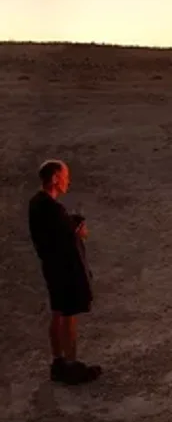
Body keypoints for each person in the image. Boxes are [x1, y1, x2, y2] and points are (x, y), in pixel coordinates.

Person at [28, 160, 101, 384]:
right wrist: (77, 230)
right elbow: (65, 239)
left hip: (52, 267)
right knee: (68, 315)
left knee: (58, 312)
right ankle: (71, 365)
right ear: (55, 178)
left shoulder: (37, 203)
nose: (68, 180)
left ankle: (58, 361)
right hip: (63, 269)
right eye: (65, 176)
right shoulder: (51, 208)